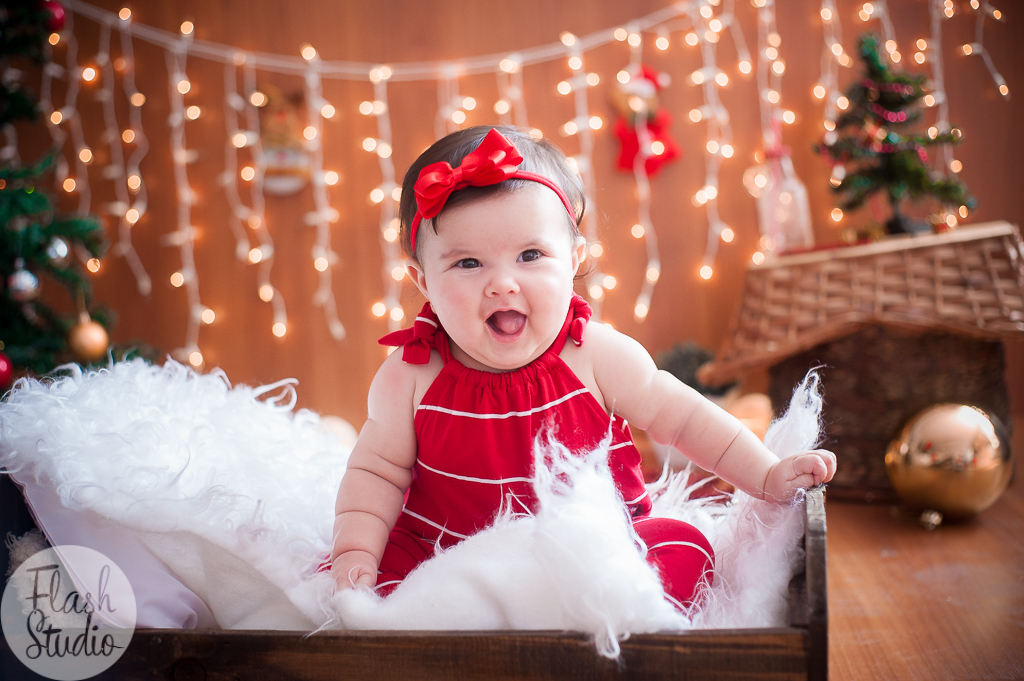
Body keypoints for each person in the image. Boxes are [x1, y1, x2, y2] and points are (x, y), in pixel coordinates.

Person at [329, 126, 835, 609]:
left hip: (596, 547)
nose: (502, 284)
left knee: (680, 550)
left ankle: (584, 616)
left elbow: (685, 419)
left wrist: (767, 474)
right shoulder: (411, 375)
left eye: (530, 255)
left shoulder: (596, 354)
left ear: (572, 259)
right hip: (450, 550)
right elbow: (376, 472)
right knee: (379, 582)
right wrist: (355, 553)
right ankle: (465, 620)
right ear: (422, 282)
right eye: (468, 264)